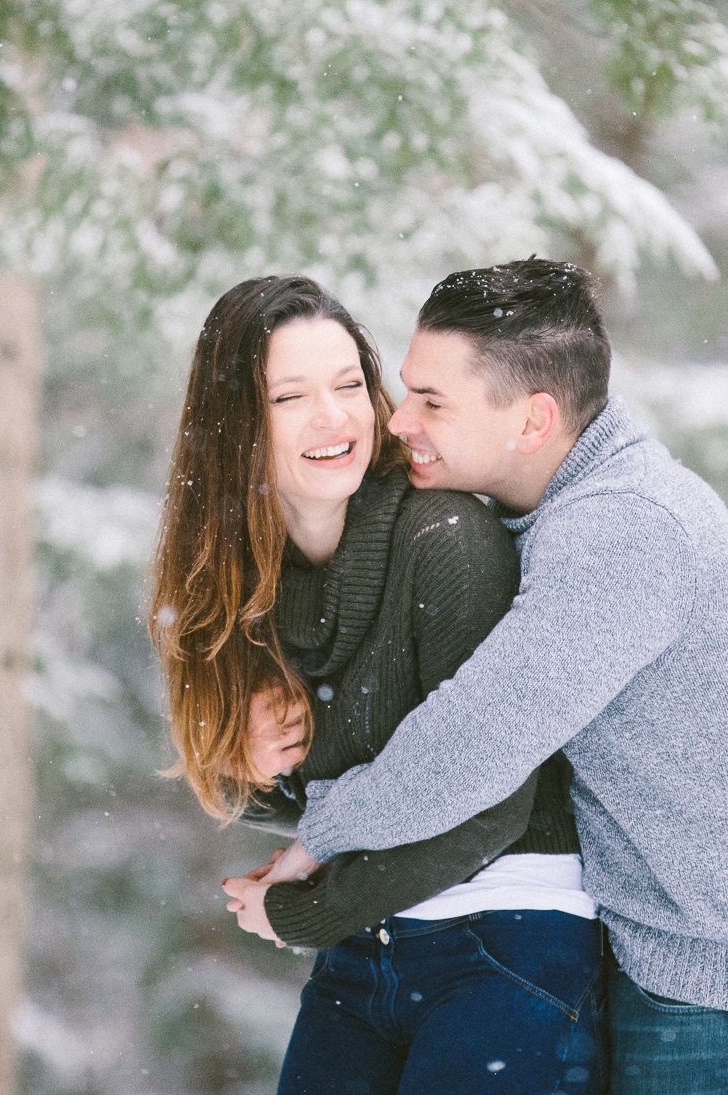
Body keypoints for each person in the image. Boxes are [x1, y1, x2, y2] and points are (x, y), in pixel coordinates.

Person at [274, 259, 728, 1095]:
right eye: (408, 389)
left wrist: (321, 833)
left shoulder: (624, 529)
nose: (400, 417)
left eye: (432, 401)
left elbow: (475, 743)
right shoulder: (553, 513)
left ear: (533, 419)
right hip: (669, 976)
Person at [148, 275, 606, 1095]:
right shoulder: (244, 583)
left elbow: (493, 800)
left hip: (507, 936)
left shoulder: (447, 537)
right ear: (236, 428)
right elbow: (334, 796)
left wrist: (307, 909)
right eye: (291, 396)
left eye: (349, 384)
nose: (334, 417)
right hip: (370, 948)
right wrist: (253, 766)